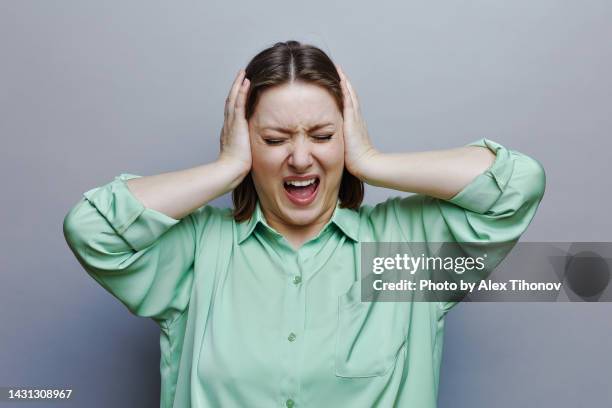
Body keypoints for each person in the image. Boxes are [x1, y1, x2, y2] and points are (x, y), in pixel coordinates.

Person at [63, 40, 546, 407]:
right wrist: (224, 170)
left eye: (321, 135)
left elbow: (517, 185)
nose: (299, 157)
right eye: (273, 140)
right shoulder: (198, 250)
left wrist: (371, 161)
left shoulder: (403, 252)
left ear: (346, 137)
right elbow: (91, 230)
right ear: (244, 141)